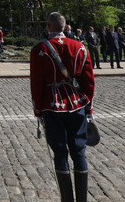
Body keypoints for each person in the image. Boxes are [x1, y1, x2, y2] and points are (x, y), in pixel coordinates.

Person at [31, 12, 96, 202]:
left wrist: (38, 110)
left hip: (52, 106)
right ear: (65, 26)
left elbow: (36, 84)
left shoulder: (39, 50)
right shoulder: (80, 48)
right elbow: (89, 81)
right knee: (79, 151)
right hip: (77, 104)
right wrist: (88, 106)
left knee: (59, 153)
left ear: (48, 27)